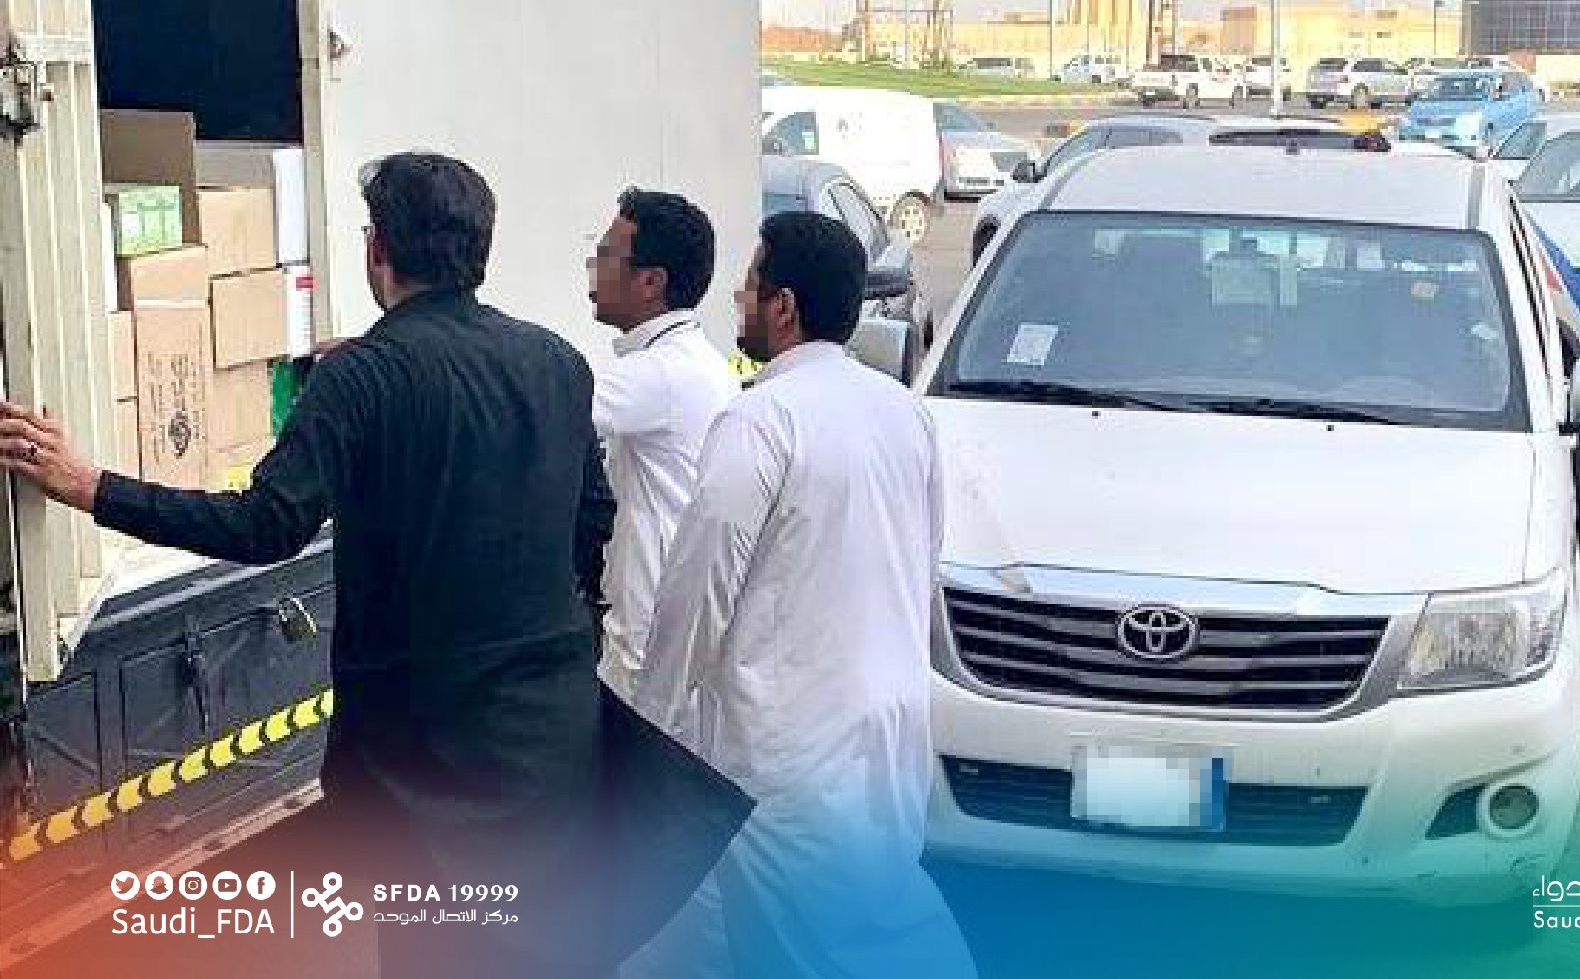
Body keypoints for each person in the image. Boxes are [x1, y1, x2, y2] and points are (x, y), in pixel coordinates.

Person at [0, 154, 620, 979]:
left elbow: (266, 525)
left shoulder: (359, 378)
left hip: (422, 766)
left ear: (378, 250)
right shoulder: (556, 361)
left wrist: (91, 487)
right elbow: (594, 515)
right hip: (550, 735)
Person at [635, 212, 974, 979]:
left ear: (783, 305)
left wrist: (651, 736)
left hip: (788, 754)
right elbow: (922, 562)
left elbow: (698, 589)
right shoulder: (904, 412)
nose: (738, 299)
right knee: (870, 925)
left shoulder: (761, 419)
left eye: (749, 284)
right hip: (891, 737)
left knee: (812, 949)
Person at [588, 188, 738, 707]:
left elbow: (544, 409)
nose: (593, 268)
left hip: (646, 643)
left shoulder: (659, 374)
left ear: (651, 281)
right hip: (676, 629)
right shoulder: (697, 361)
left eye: (606, 255)